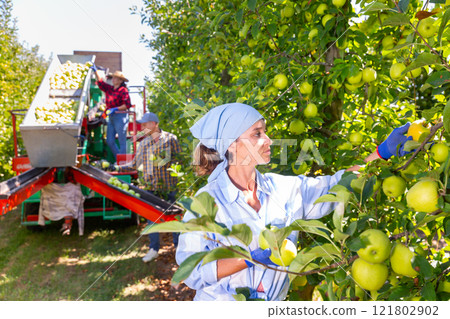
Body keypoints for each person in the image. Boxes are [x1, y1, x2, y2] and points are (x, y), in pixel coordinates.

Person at [175, 103, 411, 301]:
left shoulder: (283, 189)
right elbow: (190, 271)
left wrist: (380, 153)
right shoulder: (205, 203)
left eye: (265, 132)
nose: (269, 140)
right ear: (232, 145)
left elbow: (336, 186)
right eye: (257, 134)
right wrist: (246, 260)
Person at [115, 112, 182, 262]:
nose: (142, 127)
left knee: (175, 217)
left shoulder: (171, 139)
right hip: (151, 187)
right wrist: (117, 168)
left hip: (170, 186)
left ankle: (179, 247)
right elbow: (134, 165)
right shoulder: (143, 144)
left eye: (145, 124)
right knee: (152, 218)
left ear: (154, 124)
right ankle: (154, 249)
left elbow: (180, 160)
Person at [91, 64, 132, 162]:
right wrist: (95, 71)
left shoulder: (123, 91)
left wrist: (116, 109)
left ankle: (122, 163)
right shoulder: (110, 89)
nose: (113, 79)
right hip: (112, 116)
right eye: (113, 77)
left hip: (120, 116)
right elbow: (101, 83)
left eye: (115, 78)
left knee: (122, 141)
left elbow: (127, 105)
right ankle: (119, 159)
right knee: (109, 141)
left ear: (120, 81)